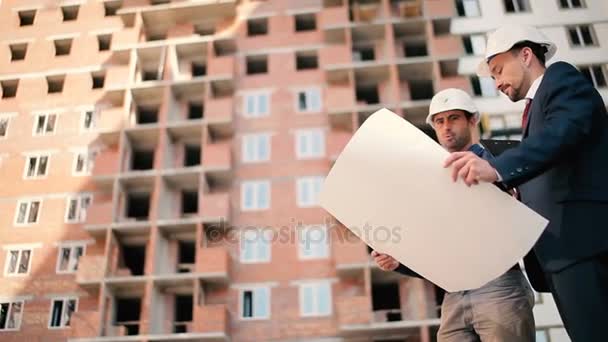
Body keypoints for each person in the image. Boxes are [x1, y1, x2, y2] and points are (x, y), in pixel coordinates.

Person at [444, 25, 608, 341]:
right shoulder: (536, 111)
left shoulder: (561, 80)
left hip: (582, 243)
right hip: (563, 253)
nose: (497, 82)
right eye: (492, 78)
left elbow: (562, 134)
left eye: (499, 70)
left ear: (526, 55)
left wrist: (498, 169)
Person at [373, 88, 535, 342]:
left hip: (499, 285)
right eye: (439, 121)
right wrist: (399, 261)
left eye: (453, 118)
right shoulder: (428, 180)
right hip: (453, 294)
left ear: (472, 120)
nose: (446, 127)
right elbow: (435, 248)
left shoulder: (501, 160)